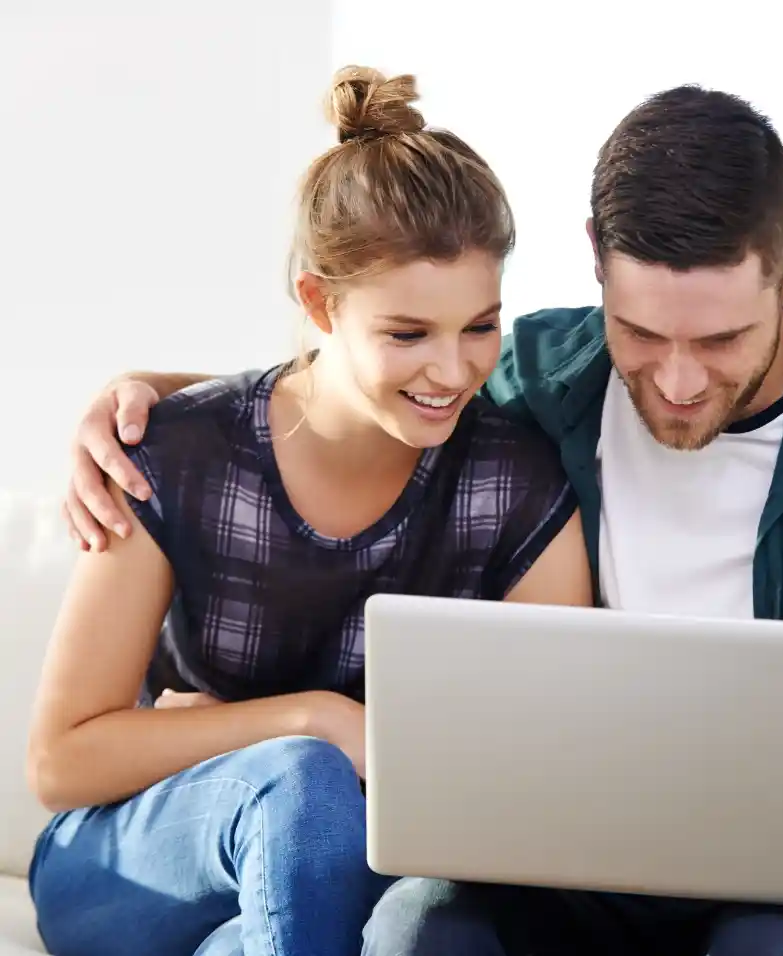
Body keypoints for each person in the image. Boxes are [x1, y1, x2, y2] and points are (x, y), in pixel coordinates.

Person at [59, 84, 783, 956]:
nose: (675, 380)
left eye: (721, 340)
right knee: (415, 929)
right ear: (594, 264)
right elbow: (359, 386)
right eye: (639, 331)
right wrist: (146, 400)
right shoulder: (533, 378)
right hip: (551, 883)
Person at [28, 65, 592, 956]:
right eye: (408, 334)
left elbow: (535, 774)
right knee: (303, 780)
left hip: (342, 888)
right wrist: (314, 718)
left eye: (479, 326)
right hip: (131, 863)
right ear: (320, 303)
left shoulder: (514, 487)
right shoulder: (173, 453)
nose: (453, 370)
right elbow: (62, 762)